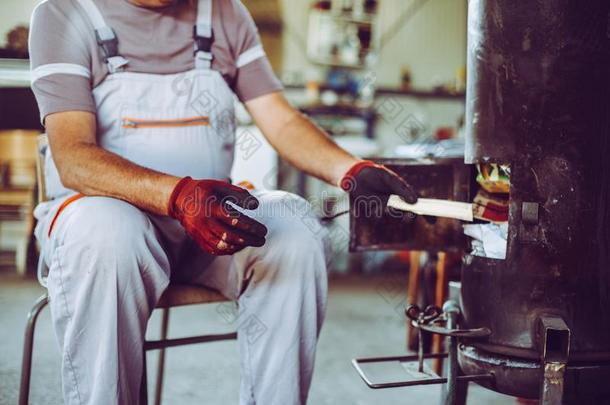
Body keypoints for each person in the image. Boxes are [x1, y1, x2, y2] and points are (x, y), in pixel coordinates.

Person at [28, 0, 418, 403]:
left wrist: (348, 170)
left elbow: (279, 119)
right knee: (108, 235)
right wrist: (178, 196)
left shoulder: (223, 13)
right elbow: (74, 157)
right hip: (108, 233)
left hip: (209, 228)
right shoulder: (64, 14)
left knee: (297, 230)